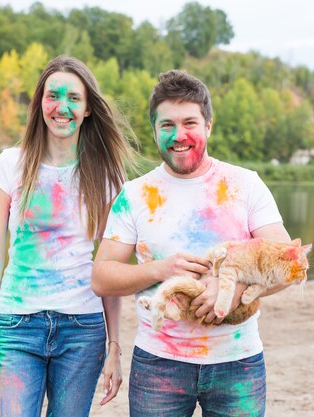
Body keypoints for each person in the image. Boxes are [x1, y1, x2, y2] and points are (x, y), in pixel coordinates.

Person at [92, 70, 294, 417]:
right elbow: (101, 277)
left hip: (238, 363)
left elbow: (289, 264)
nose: (179, 135)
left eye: (190, 123)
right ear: (154, 130)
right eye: (167, 125)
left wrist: (236, 286)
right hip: (158, 364)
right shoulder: (134, 195)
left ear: (209, 125)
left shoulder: (245, 184)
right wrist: (160, 269)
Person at [0, 55, 136, 417]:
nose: (62, 107)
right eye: (53, 96)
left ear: (88, 108)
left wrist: (114, 346)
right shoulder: (10, 164)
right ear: (40, 103)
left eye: (74, 98)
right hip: (17, 323)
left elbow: (107, 266)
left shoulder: (107, 174)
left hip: (83, 328)